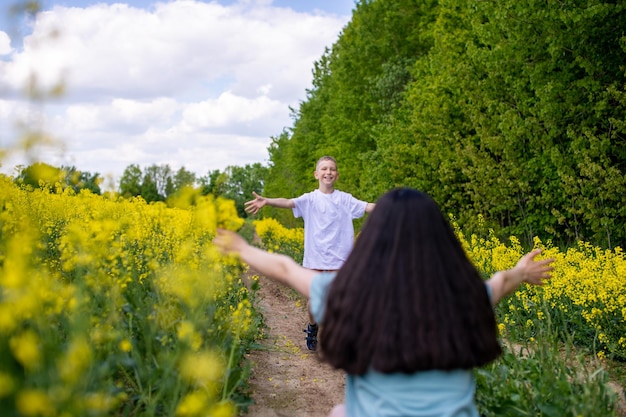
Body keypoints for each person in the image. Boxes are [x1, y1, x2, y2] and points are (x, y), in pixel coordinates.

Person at [214, 187, 555, 417]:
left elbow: (286, 270)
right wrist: (522, 272)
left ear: (373, 240)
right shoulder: (465, 297)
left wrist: (242, 248)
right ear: (441, 239)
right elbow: (500, 282)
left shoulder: (350, 296)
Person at [244, 156, 375, 351]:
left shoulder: (345, 199)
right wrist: (267, 201)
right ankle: (313, 328)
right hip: (315, 257)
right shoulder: (310, 199)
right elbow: (288, 202)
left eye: (332, 169)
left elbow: (368, 207)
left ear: (337, 175)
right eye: (324, 169)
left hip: (340, 259)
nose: (328, 172)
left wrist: (393, 208)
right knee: (315, 300)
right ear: (316, 174)